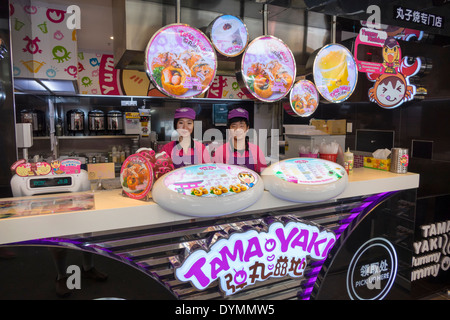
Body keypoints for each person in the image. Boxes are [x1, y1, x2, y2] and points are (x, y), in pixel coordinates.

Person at [213, 107, 267, 173]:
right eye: (234, 126)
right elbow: (216, 176)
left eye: (241, 126)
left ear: (247, 129)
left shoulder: (256, 151)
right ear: (229, 129)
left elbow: (264, 174)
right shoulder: (220, 152)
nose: (238, 129)